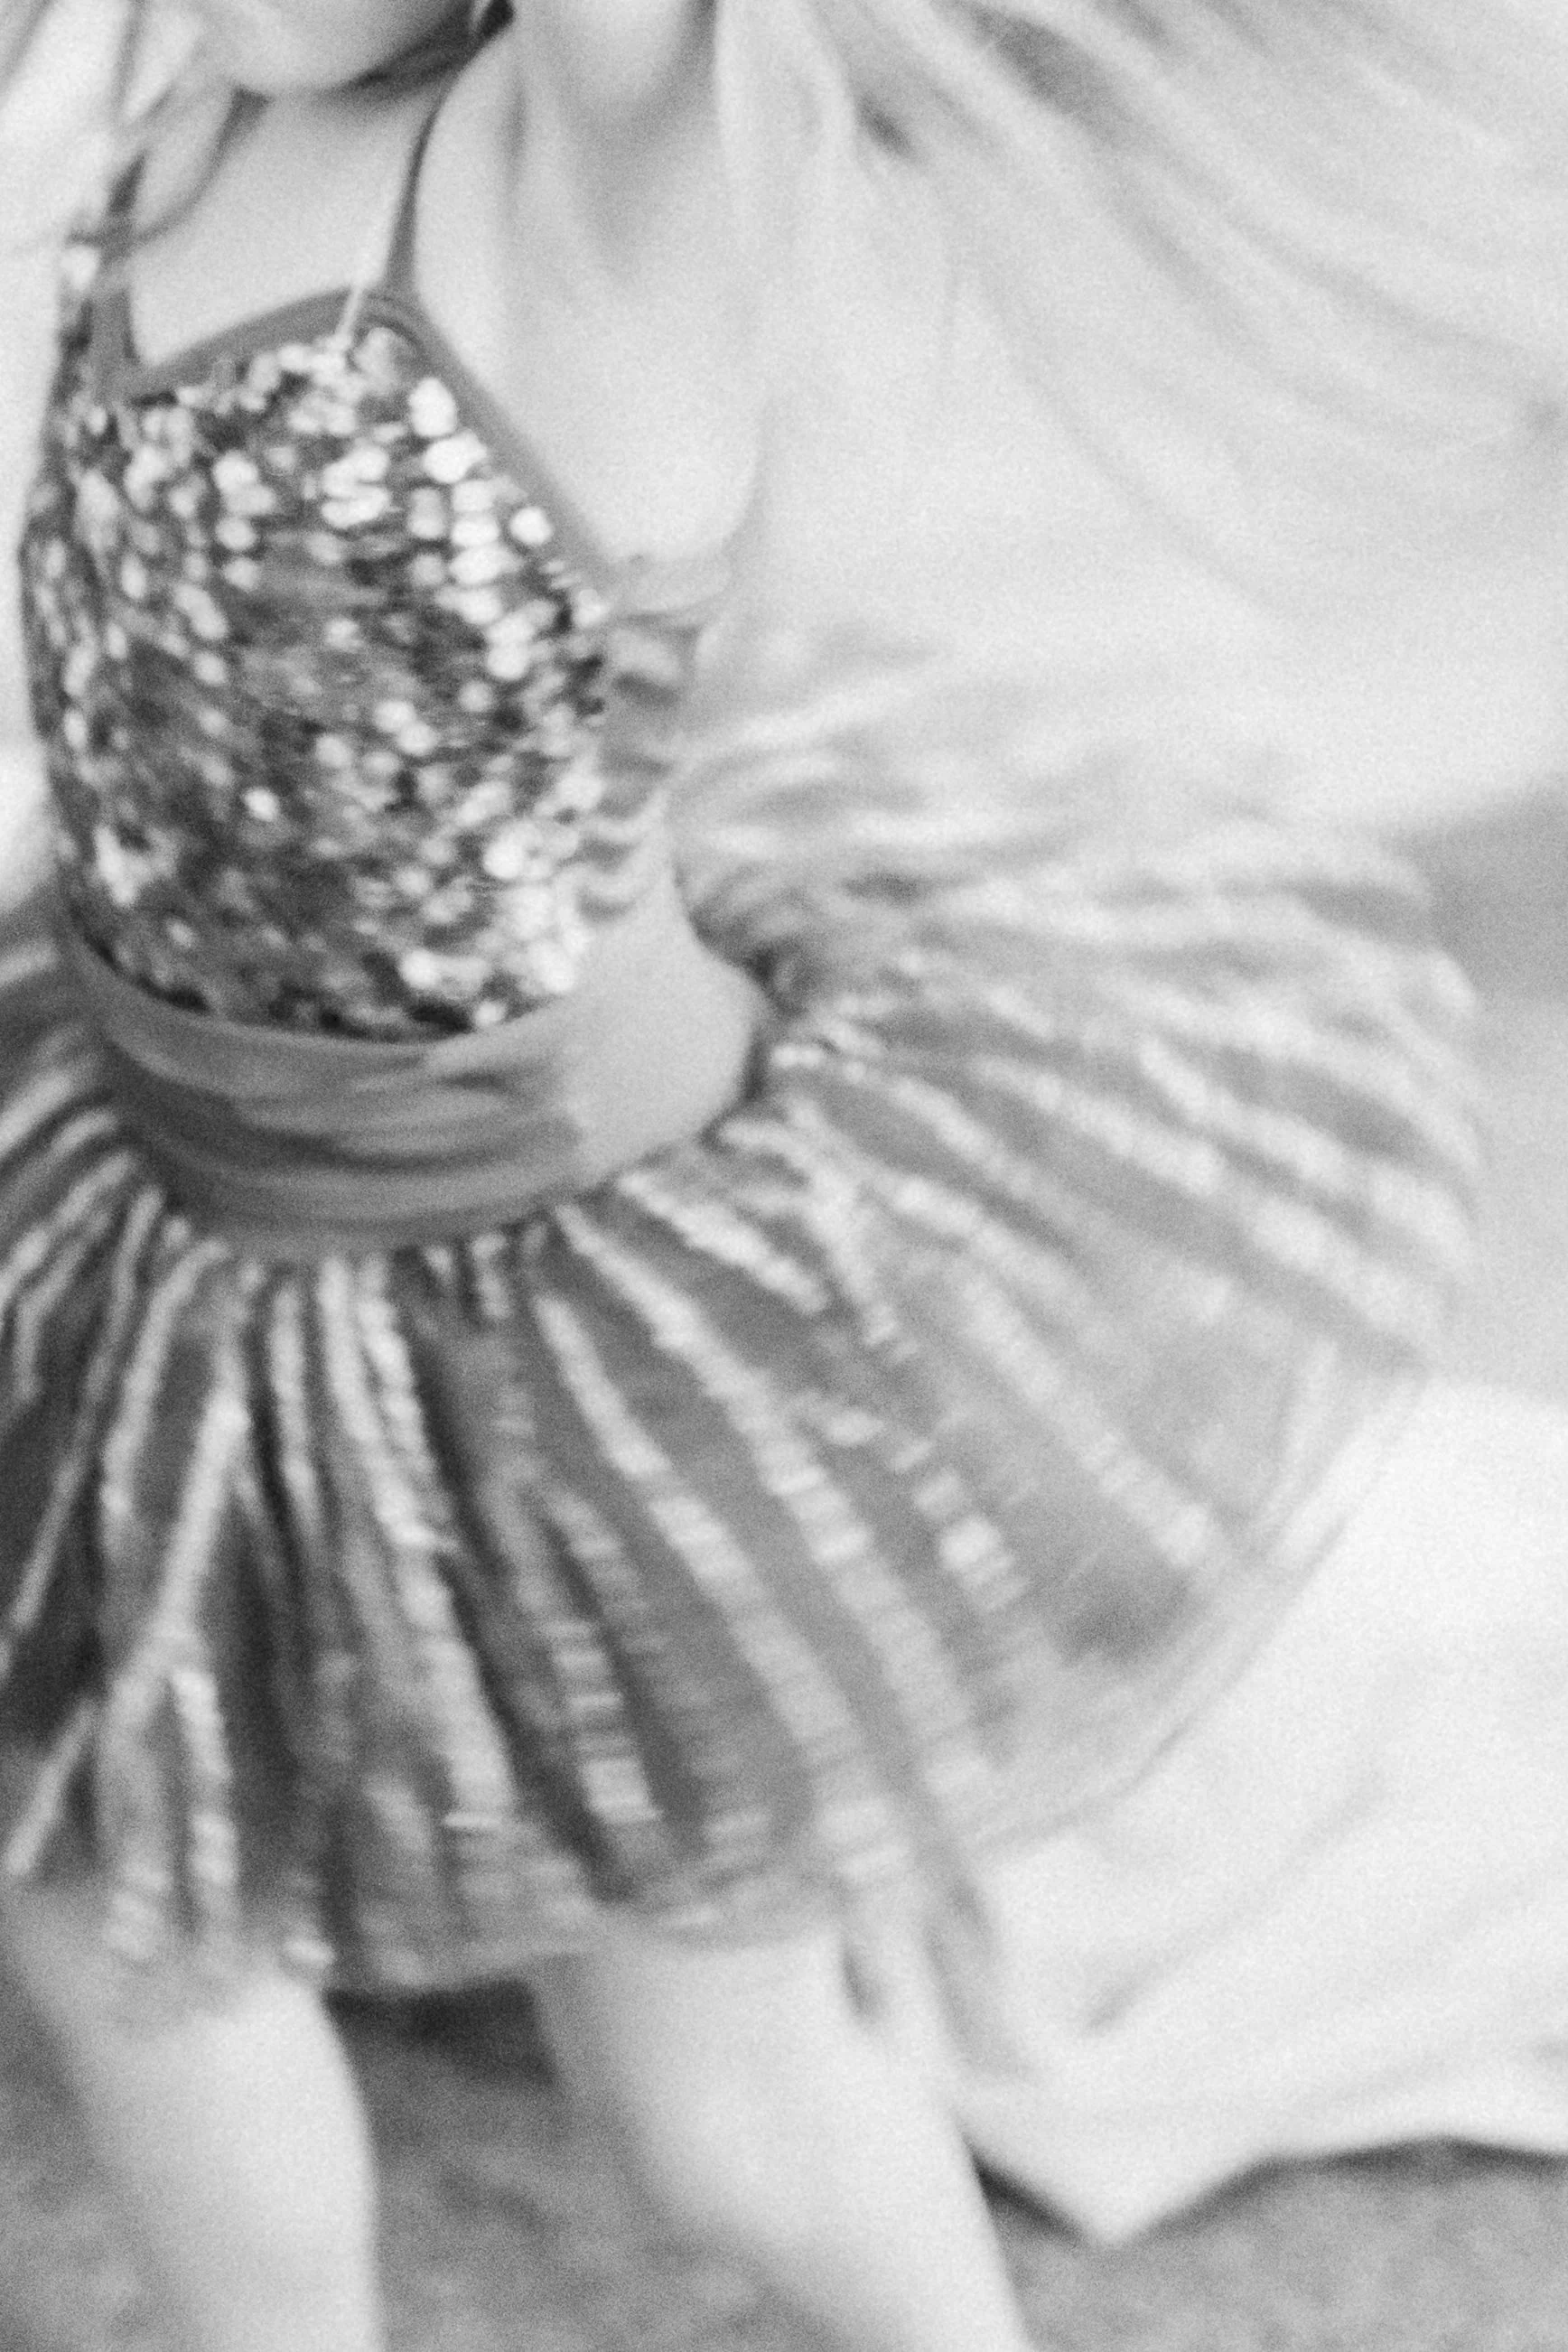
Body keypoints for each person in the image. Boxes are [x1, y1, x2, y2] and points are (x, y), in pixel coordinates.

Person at [0, 3, 1566, 2348]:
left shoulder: (585, 157)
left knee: (721, 2117)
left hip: (554, 1319)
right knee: (120, 1909)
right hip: (179, 1210)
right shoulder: (195, 105)